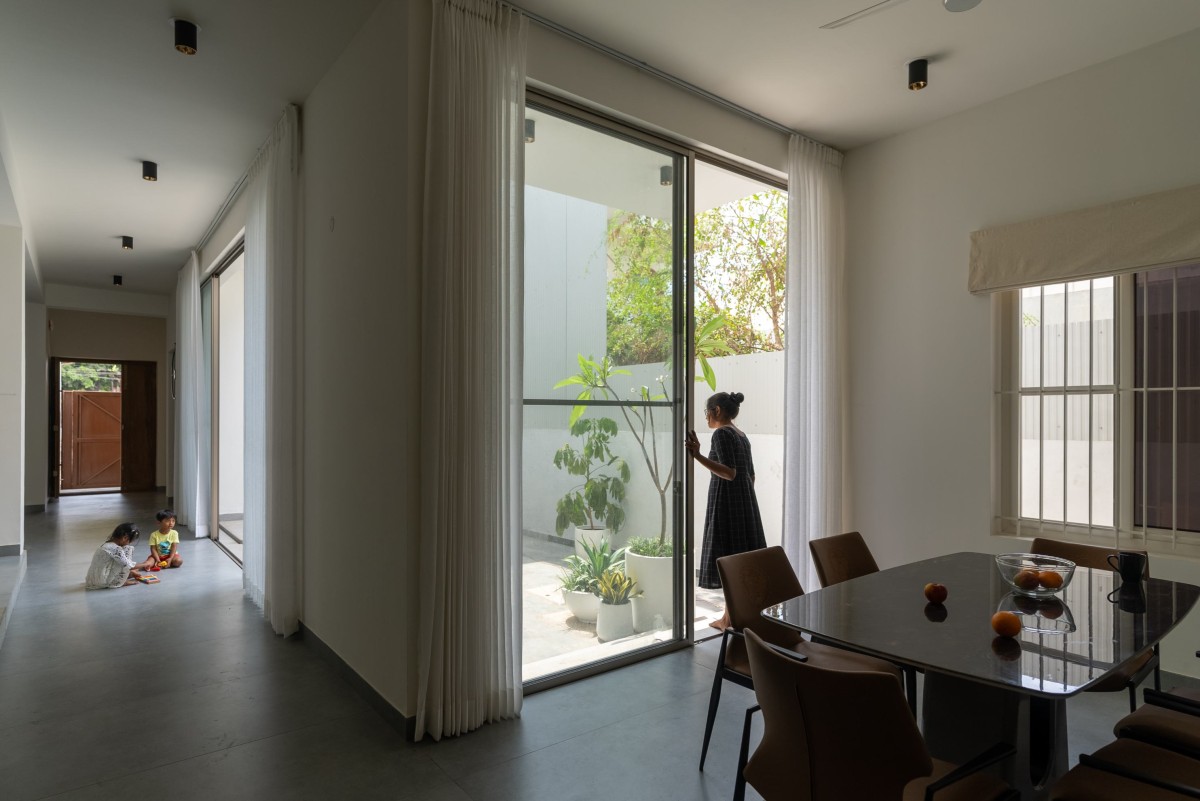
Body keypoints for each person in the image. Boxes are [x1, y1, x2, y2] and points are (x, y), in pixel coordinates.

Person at [685, 391, 766, 630]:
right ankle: (732, 616)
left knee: (729, 557)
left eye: (707, 412)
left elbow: (729, 473)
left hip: (727, 502)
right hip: (745, 502)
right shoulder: (741, 435)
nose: (706, 418)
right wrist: (744, 498)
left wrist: (697, 455)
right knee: (739, 557)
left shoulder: (721, 434)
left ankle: (730, 618)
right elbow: (750, 476)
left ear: (716, 411)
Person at [85, 522, 155, 589]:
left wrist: (129, 572)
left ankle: (123, 577)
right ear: (125, 538)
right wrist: (146, 564)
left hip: (93, 579)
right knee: (128, 549)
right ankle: (119, 582)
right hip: (101, 582)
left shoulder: (109, 544)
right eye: (129, 541)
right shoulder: (116, 549)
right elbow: (128, 565)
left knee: (125, 551)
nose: (129, 543)